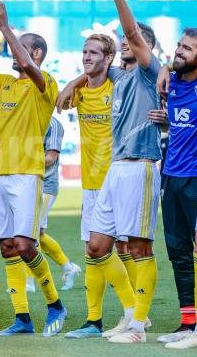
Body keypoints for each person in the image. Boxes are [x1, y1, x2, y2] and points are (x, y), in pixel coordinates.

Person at [60, 0, 162, 343]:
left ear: (144, 48)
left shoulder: (150, 73)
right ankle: (131, 315)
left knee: (137, 246)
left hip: (141, 167)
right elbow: (97, 68)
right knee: (97, 246)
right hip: (115, 170)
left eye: (130, 41)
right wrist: (74, 79)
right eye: (120, 41)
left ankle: (137, 326)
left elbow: (133, 34)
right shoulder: (119, 76)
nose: (124, 43)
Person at [0, 0, 66, 336]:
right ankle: (22, 319)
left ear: (35, 54)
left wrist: (5, 26)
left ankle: (54, 304)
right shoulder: (4, 82)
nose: (14, 48)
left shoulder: (44, 82)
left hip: (26, 174)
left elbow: (26, 65)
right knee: (7, 246)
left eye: (23, 44)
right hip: (0, 174)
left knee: (24, 244)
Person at [150, 29, 197, 343]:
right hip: (174, 174)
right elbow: (163, 63)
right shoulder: (175, 79)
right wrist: (167, 68)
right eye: (179, 45)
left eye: (186, 47)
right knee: (184, 251)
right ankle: (193, 323)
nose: (179, 51)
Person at [57, 33, 128, 339]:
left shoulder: (120, 85)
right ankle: (94, 321)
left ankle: (135, 314)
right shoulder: (82, 90)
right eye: (84, 51)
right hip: (91, 183)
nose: (86, 56)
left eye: (94, 53)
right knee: (92, 251)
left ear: (108, 58)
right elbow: (61, 101)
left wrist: (78, 80)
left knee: (125, 248)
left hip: (118, 180)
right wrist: (75, 82)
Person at [39, 117, 81, 290]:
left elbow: (51, 157)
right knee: (36, 233)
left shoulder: (54, 124)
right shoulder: (28, 114)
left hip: (46, 184)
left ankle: (28, 283)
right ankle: (69, 268)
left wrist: (22, 163)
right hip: (27, 183)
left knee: (29, 232)